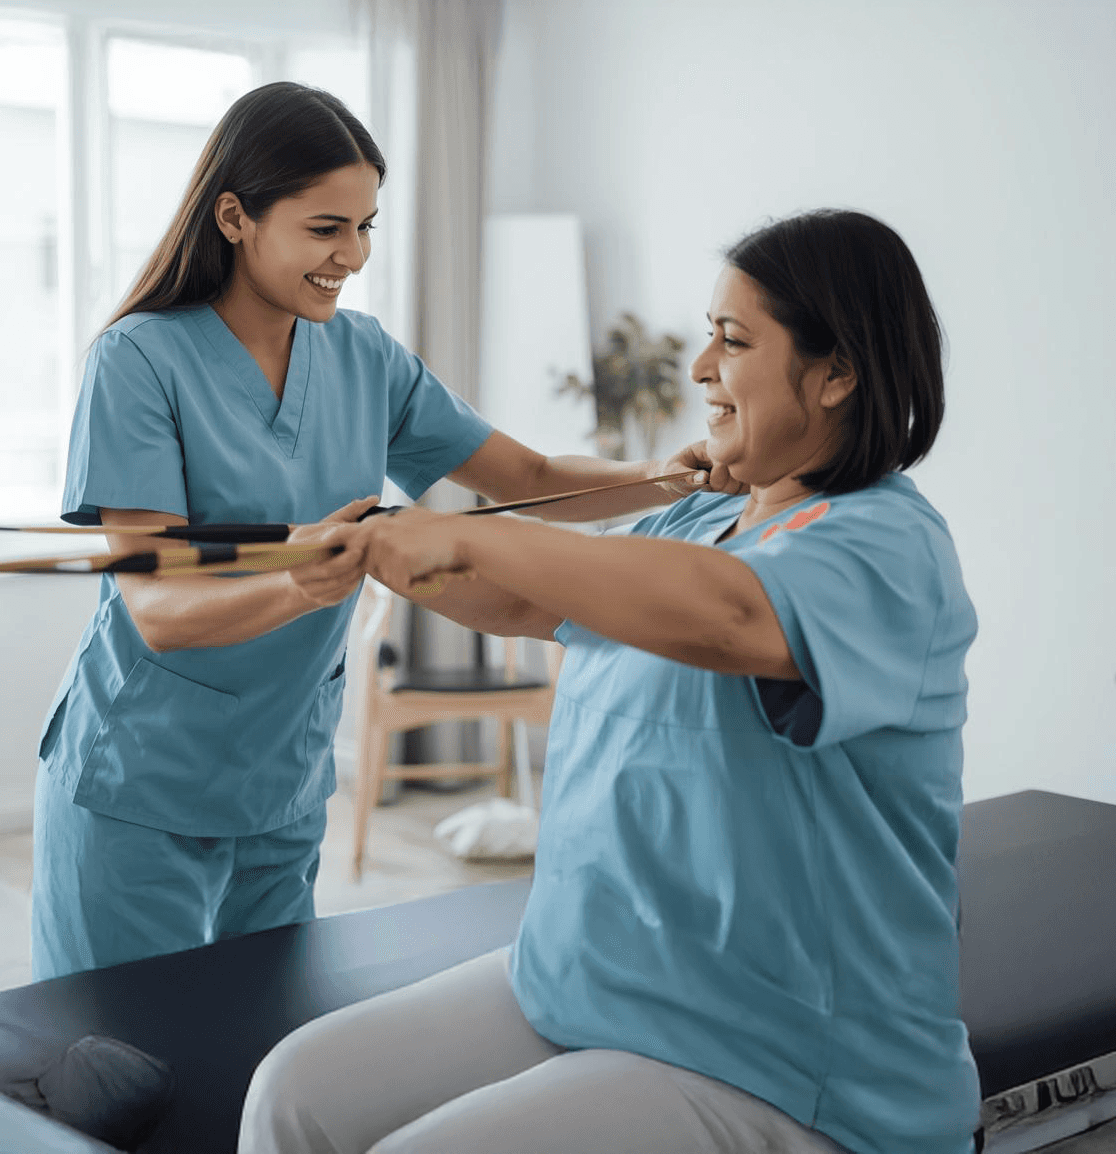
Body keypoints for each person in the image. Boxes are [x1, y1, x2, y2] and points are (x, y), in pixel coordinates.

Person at [238, 209, 979, 1154]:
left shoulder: (886, 546)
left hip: (776, 1050)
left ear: (837, 374)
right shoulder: (701, 521)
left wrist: (465, 530)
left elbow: (731, 616)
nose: (701, 370)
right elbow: (528, 603)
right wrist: (382, 547)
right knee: (294, 1094)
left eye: (734, 342)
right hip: (591, 975)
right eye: (708, 338)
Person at [32, 81, 722, 981]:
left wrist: (663, 475)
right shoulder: (140, 360)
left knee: (255, 1056)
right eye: (325, 228)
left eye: (365, 227)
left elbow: (532, 481)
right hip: (138, 778)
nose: (351, 255)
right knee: (110, 1075)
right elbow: (157, 607)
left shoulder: (363, 357)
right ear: (235, 217)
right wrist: (302, 583)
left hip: (281, 777)